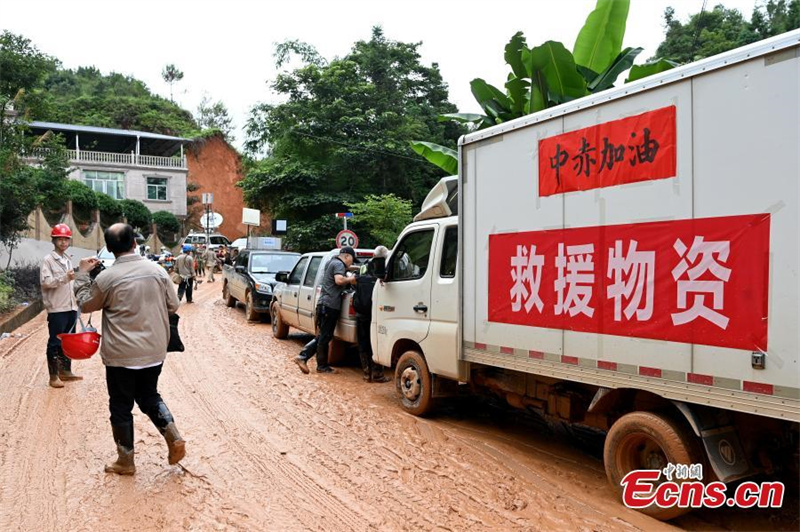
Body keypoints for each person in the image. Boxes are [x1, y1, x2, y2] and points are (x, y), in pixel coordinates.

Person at [74, 223, 185, 475]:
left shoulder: (106, 278)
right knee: (149, 396)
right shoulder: (157, 270)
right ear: (135, 243)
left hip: (121, 355)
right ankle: (174, 436)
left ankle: (125, 461)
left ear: (111, 249)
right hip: (154, 351)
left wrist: (82, 274)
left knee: (121, 405)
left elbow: (85, 304)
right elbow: (173, 305)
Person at [294, 247, 357, 374]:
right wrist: (351, 279)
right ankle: (305, 358)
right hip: (330, 306)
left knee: (323, 336)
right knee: (324, 337)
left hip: (323, 304)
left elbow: (344, 270)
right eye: (352, 260)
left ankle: (319, 364)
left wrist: (356, 269)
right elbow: (339, 280)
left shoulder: (332, 262)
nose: (351, 262)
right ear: (347, 256)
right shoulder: (339, 264)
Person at [39, 223, 83, 388]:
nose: (64, 242)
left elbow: (71, 283)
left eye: (66, 239)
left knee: (69, 340)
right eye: (60, 239)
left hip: (70, 307)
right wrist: (65, 278)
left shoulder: (68, 259)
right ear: (54, 240)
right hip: (57, 308)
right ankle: (53, 376)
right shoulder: (48, 260)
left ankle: (66, 371)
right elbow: (46, 282)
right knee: (55, 342)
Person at [354, 246, 390, 383]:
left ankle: (366, 373)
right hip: (377, 313)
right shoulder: (386, 268)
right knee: (377, 342)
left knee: (363, 343)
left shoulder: (364, 266)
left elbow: (356, 283)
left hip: (361, 311)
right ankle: (378, 374)